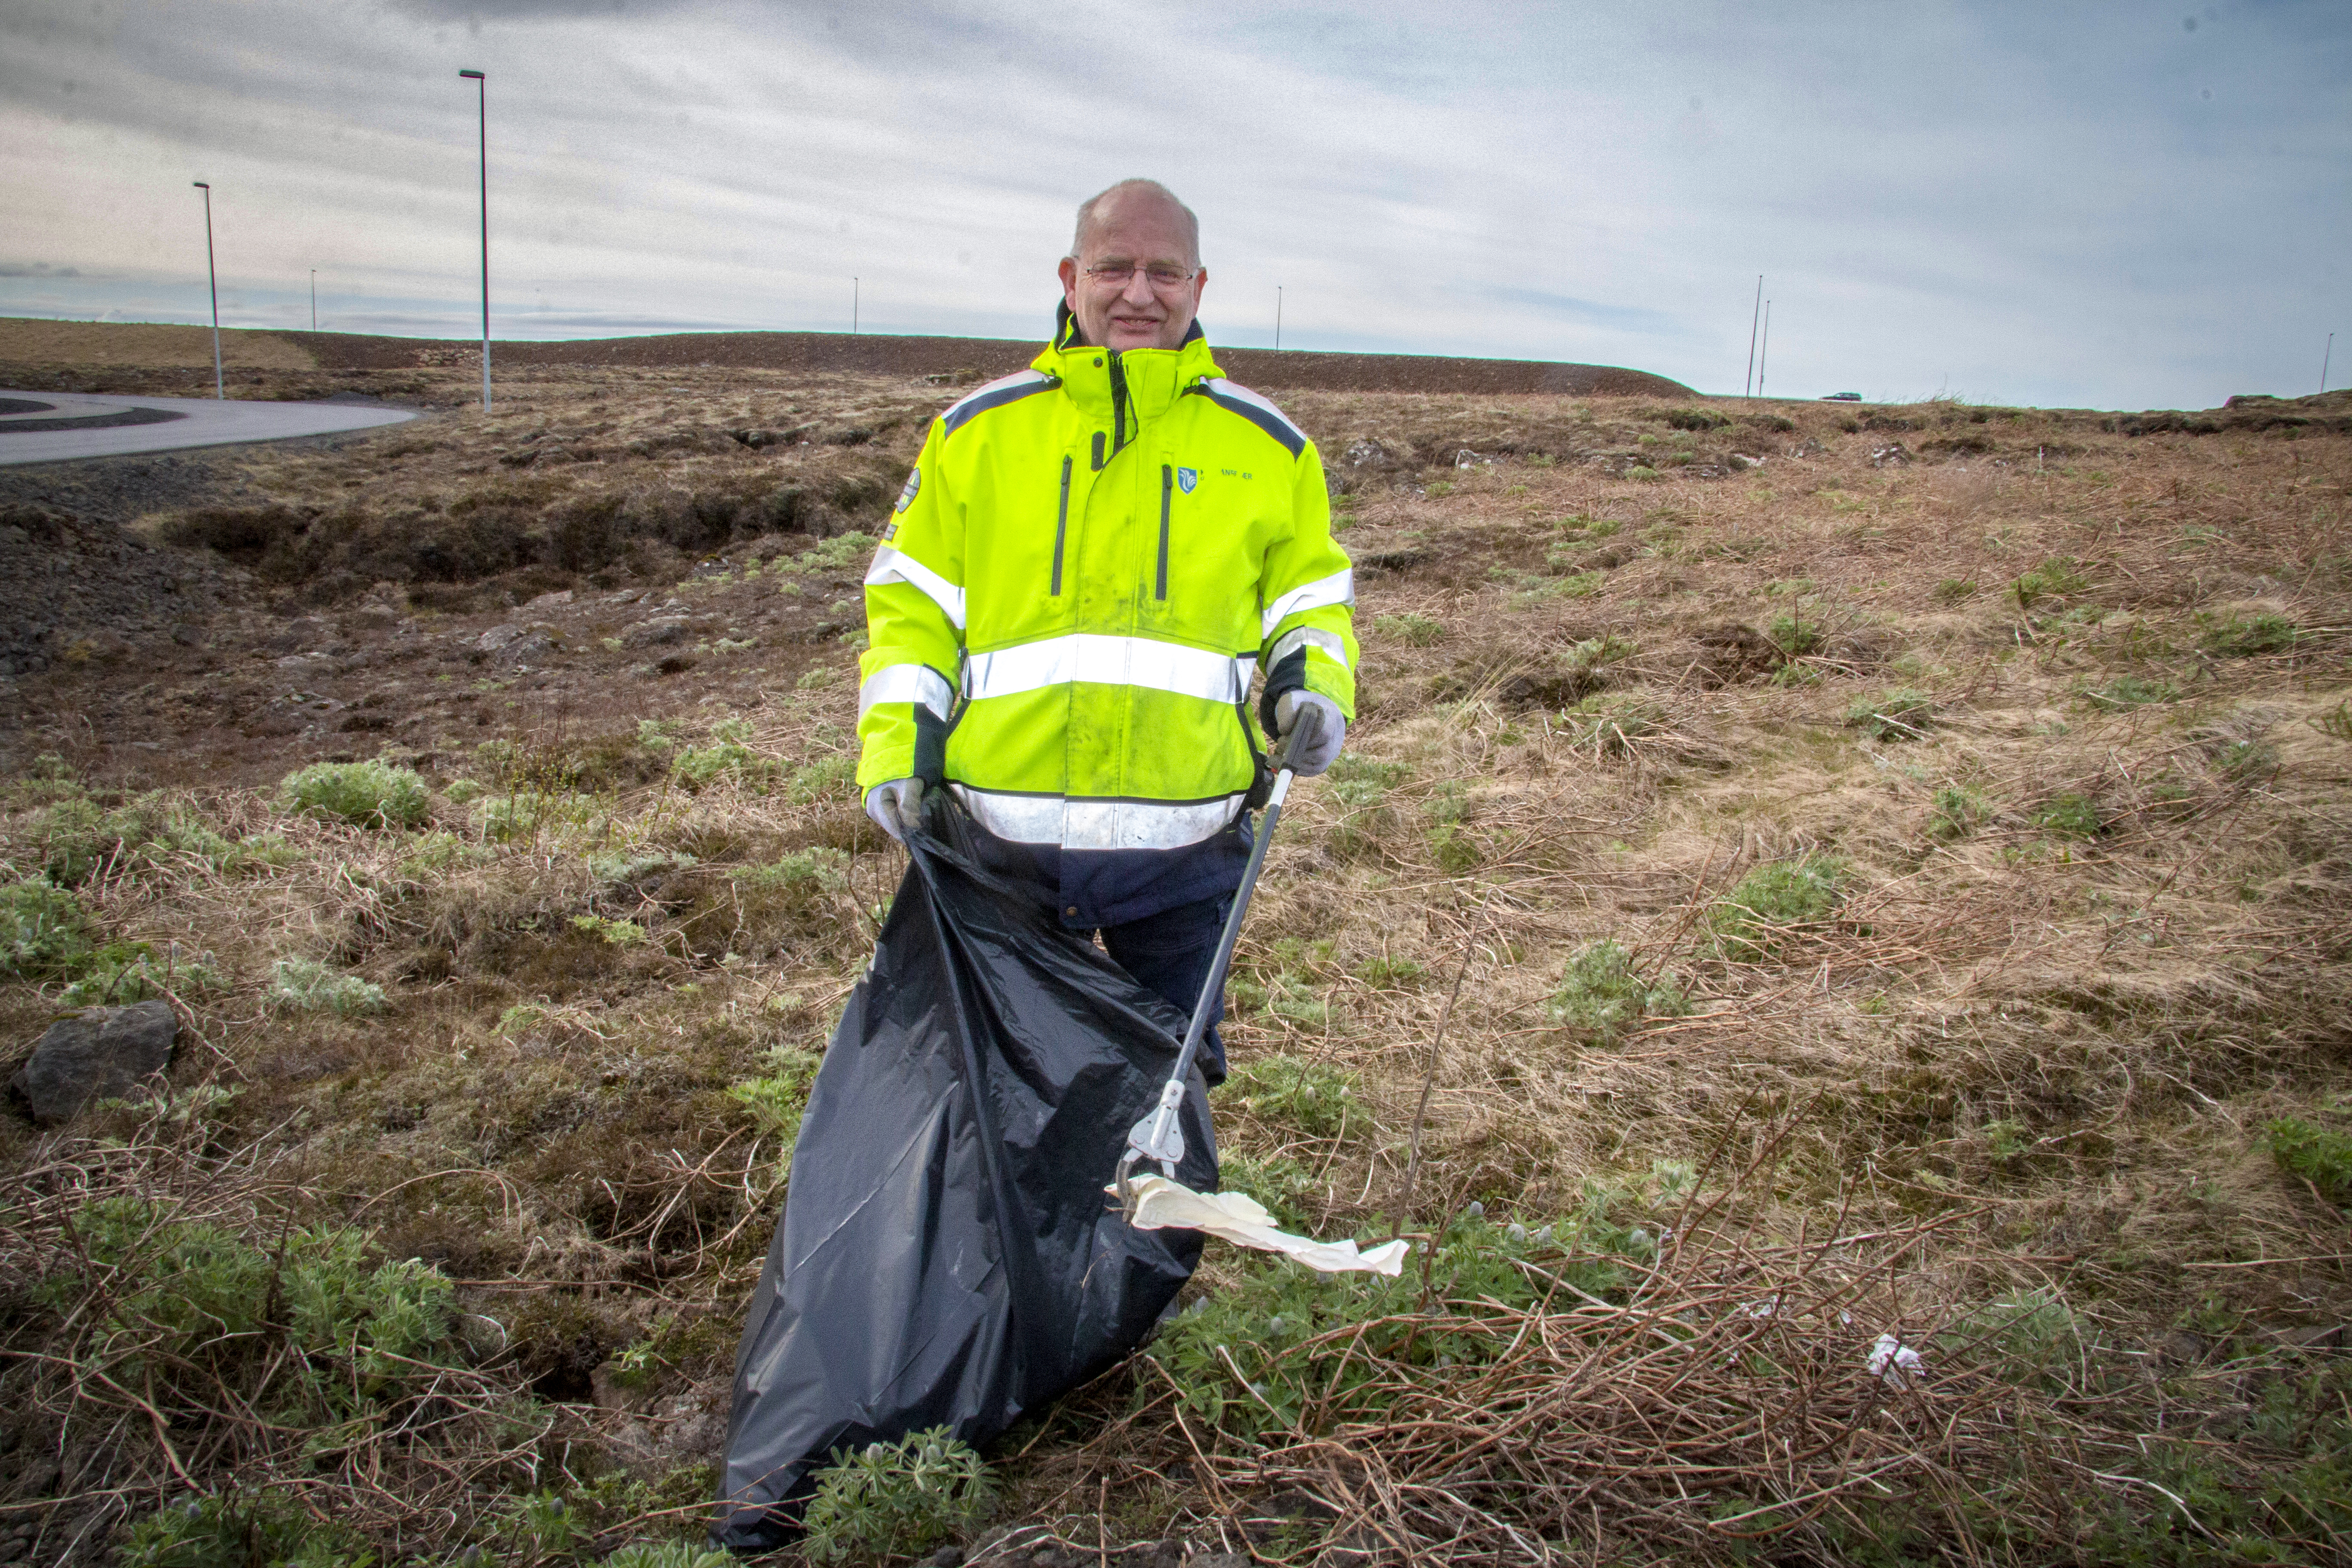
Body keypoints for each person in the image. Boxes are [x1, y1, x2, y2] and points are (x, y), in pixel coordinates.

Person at [853, 178, 1356, 1081]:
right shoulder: (975, 434)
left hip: (1185, 853)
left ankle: (1151, 1231)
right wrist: (898, 750)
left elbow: (1310, 598)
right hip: (998, 844)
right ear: (1069, 276)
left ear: (1199, 288)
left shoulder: (1268, 446)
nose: (1138, 292)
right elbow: (912, 610)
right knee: (987, 1089)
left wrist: (1313, 683)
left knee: (1166, 1092)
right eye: (1114, 267)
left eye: (1164, 272)